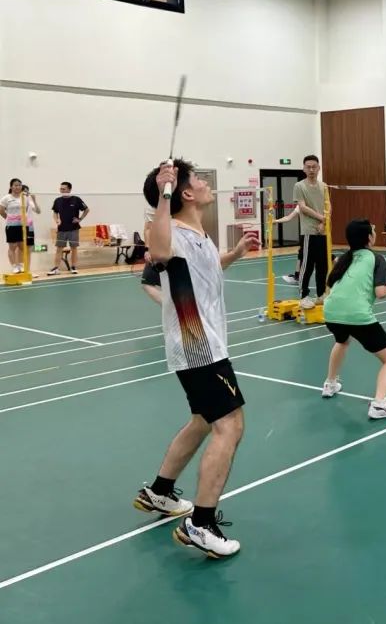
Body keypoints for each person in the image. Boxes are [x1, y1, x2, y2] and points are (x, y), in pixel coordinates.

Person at [133, 158, 259, 558]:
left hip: (205, 341)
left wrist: (234, 253)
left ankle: (160, 492)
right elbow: (157, 249)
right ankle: (201, 524)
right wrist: (163, 193)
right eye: (199, 180)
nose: (206, 183)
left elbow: (205, 271)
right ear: (186, 192)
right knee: (230, 424)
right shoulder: (169, 231)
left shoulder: (197, 235)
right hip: (198, 343)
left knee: (203, 420)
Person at [321, 219, 386, 420]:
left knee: (342, 341)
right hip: (357, 315)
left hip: (331, 312)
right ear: (369, 237)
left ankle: (330, 384)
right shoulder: (377, 258)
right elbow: (381, 293)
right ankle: (379, 404)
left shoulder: (343, 259)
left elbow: (331, 285)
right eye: (373, 230)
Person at [293, 155, 329, 309]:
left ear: (319, 168)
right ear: (304, 168)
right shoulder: (299, 186)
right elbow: (303, 207)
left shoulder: (324, 186)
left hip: (323, 231)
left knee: (323, 266)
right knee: (307, 265)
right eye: (308, 167)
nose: (311, 169)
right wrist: (321, 218)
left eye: (314, 167)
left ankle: (321, 295)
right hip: (308, 232)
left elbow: (328, 206)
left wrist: (324, 223)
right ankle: (303, 296)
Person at [47, 182, 89, 275]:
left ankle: (73, 267)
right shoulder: (57, 200)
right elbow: (55, 212)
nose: (62, 190)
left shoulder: (76, 199)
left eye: (64, 189)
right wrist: (57, 220)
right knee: (59, 248)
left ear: (69, 189)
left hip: (73, 228)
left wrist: (80, 219)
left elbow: (86, 209)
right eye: (61, 189)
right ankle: (56, 268)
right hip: (61, 229)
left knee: (74, 248)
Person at [0, 179, 39, 273]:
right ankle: (14, 266)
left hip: (23, 226)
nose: (18, 187)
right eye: (15, 185)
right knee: (12, 246)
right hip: (11, 226)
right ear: (11, 187)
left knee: (22, 246)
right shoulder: (6, 198)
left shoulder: (25, 198)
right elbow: (1, 210)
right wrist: (9, 219)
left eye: (19, 185)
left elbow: (33, 210)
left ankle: (21, 265)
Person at [140, 203, 161, 304]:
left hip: (177, 247)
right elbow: (148, 229)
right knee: (147, 283)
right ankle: (171, 308)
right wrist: (147, 249)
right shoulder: (151, 206)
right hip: (159, 249)